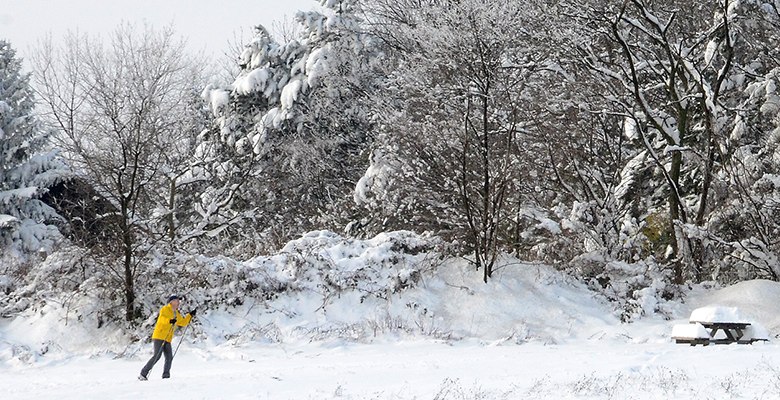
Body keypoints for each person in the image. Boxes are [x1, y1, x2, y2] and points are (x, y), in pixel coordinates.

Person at [138, 295, 196, 380]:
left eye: (178, 301)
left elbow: (183, 322)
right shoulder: (165, 309)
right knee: (157, 356)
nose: (178, 302)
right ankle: (143, 374)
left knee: (169, 357)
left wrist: (190, 315)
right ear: (171, 302)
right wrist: (169, 321)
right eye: (177, 301)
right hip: (159, 336)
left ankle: (166, 377)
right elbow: (162, 319)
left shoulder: (176, 313)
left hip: (167, 338)